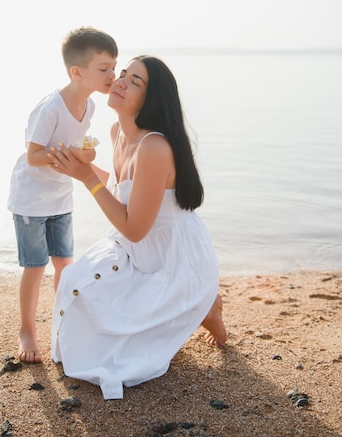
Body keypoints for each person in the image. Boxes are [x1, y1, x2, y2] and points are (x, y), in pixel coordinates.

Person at [48, 55, 227, 399]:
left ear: (151, 99)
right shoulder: (117, 132)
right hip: (133, 250)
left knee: (123, 356)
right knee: (75, 286)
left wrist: (86, 179)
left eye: (135, 82)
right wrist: (76, 168)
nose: (120, 81)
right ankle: (200, 304)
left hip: (171, 258)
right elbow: (123, 194)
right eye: (123, 74)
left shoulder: (155, 147)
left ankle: (207, 305)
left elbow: (134, 228)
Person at [7, 26, 118, 364]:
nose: (113, 75)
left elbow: (72, 152)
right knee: (35, 266)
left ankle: (63, 323)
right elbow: (34, 156)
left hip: (60, 196)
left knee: (64, 265)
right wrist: (71, 152)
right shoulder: (50, 108)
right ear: (77, 72)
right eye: (104, 69)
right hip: (31, 198)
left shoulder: (90, 107)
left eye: (114, 66)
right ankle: (27, 330)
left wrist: (84, 157)